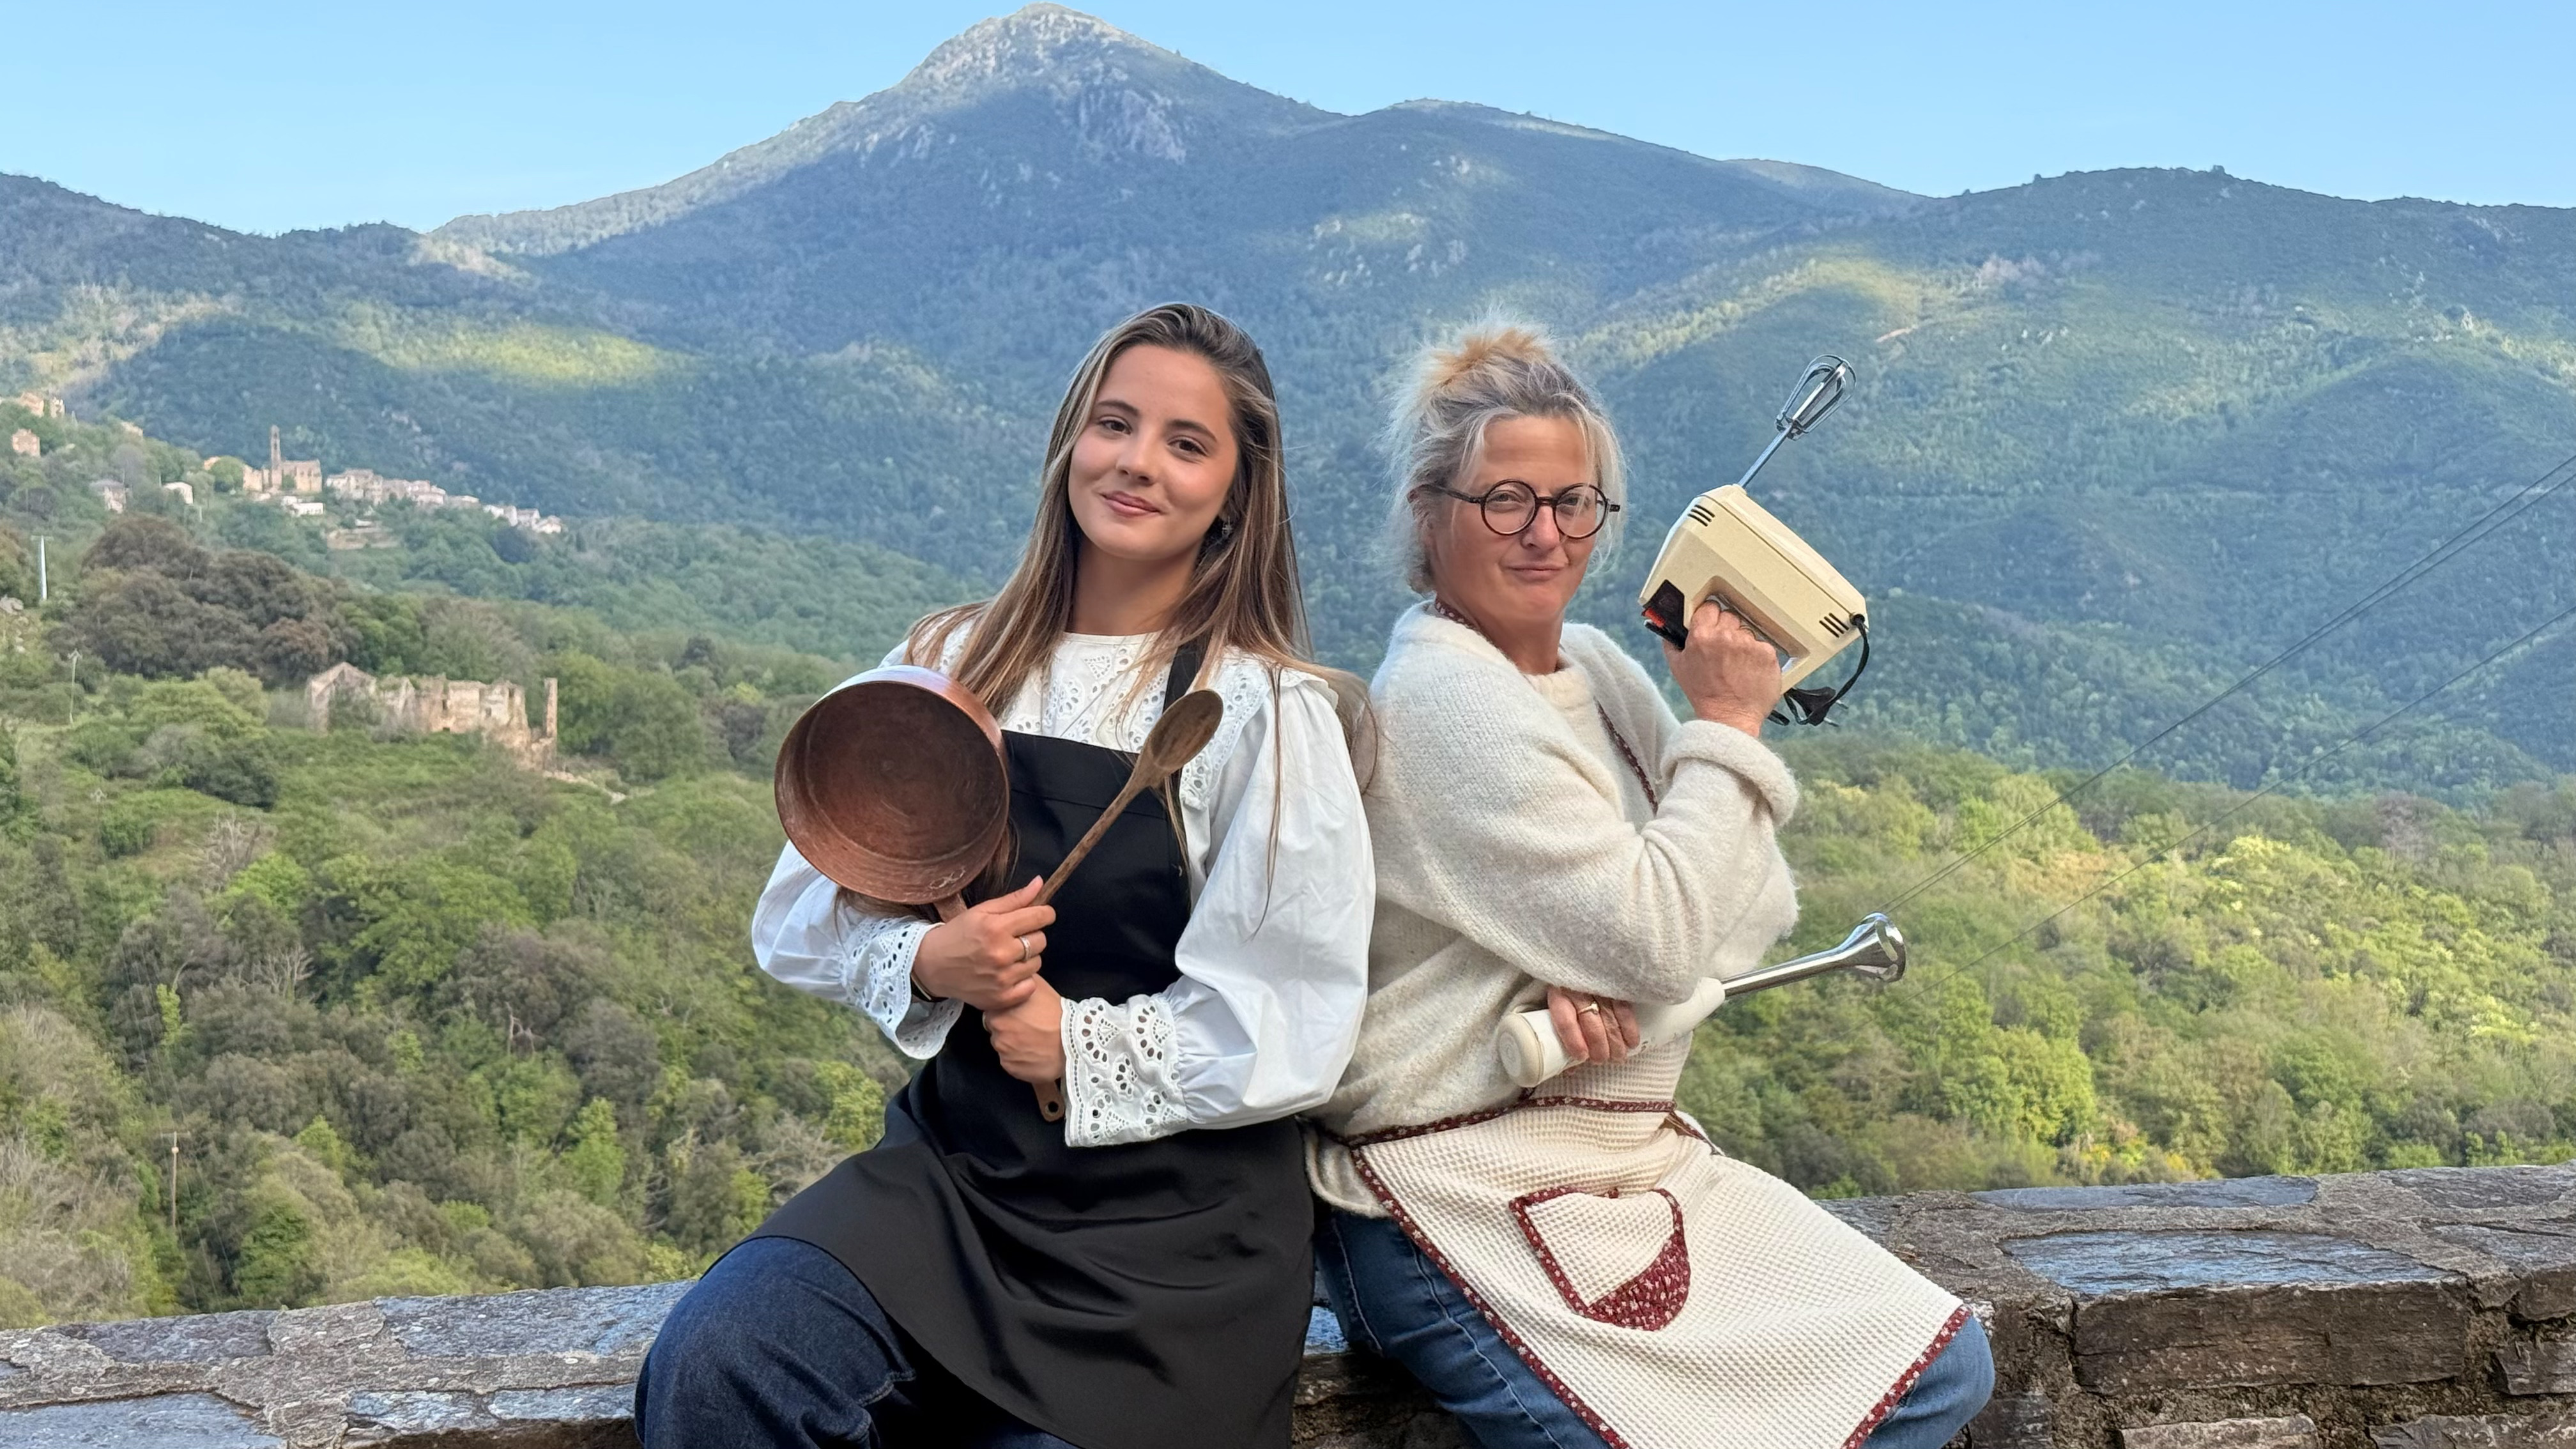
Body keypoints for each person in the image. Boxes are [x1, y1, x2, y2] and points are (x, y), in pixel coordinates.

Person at [637, 303, 1374, 1449]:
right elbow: (795, 913)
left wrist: (1071, 1041)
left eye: (1187, 444)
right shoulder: (948, 663)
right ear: (1070, 442)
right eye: (1114, 424)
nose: (1136, 462)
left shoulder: (1263, 713)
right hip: (956, 1187)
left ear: (1237, 493)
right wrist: (930, 956)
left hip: (1175, 1249)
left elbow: (1296, 1010)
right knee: (725, 1365)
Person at [1306, 323, 1992, 1449]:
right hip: (1453, 1178)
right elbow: (1671, 934)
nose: (1546, 534)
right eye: (1506, 501)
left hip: (1622, 1155)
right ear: (1429, 517)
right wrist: (1726, 725)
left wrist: (1634, 979)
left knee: (1939, 1366)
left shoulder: (1598, 669)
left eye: (1576, 503)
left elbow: (1752, 913)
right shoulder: (1443, 702)